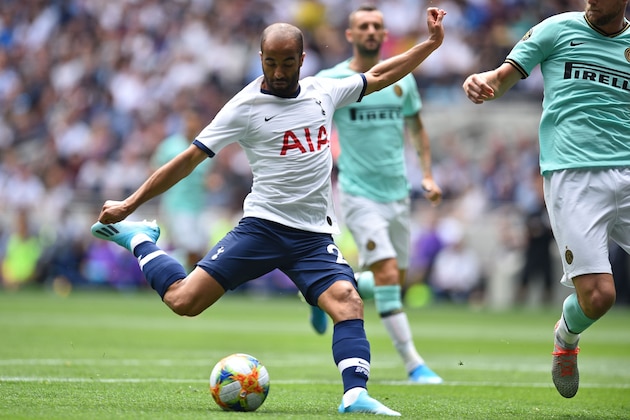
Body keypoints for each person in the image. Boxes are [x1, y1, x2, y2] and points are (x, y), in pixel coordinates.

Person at [91, 7, 447, 416]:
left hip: (313, 236)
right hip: (262, 228)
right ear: (261, 59)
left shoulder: (322, 91)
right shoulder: (243, 106)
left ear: (302, 60)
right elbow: (188, 159)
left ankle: (355, 395)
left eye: (287, 63)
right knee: (183, 301)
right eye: (271, 63)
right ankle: (139, 240)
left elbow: (382, 74)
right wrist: (130, 203)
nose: (278, 72)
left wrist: (431, 44)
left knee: (348, 301)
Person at [462, 0, 629, 399]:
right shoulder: (556, 29)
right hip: (574, 176)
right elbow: (502, 77)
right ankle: (566, 337)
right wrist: (483, 83)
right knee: (600, 296)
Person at [309, 5, 444, 385]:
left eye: (377, 26)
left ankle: (322, 295)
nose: (371, 31)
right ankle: (414, 364)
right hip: (357, 193)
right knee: (386, 274)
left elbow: (417, 128)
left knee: (393, 283)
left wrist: (429, 175)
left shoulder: (403, 79)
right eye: (363, 26)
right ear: (350, 35)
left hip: (397, 195)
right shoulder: (331, 80)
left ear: (385, 35)